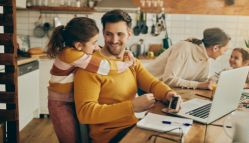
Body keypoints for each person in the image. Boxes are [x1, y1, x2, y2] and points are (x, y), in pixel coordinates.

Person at [74, 9, 182, 143]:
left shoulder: (130, 61)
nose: (114, 40)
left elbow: (152, 84)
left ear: (129, 34)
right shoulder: (91, 66)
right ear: (103, 34)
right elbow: (85, 113)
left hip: (133, 128)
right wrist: (131, 106)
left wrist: (169, 94)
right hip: (111, 137)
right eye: (109, 34)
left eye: (120, 34)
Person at [46, 17, 135, 143]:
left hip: (71, 100)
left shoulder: (76, 50)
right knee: (69, 139)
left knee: (80, 137)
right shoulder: (70, 55)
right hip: (60, 104)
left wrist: (124, 51)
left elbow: (98, 49)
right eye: (93, 43)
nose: (95, 47)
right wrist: (126, 64)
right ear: (79, 45)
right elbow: (105, 67)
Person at [146, 27, 231, 90]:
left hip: (164, 89)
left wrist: (217, 78)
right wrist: (200, 85)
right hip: (147, 85)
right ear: (215, 48)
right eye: (225, 50)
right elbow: (168, 79)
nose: (224, 53)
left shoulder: (205, 60)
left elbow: (201, 82)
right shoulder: (183, 48)